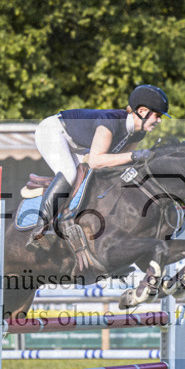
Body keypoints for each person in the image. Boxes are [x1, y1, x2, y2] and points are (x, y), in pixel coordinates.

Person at [26, 84, 170, 248]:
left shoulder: (139, 132)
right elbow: (96, 161)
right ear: (143, 111)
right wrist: (134, 155)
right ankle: (40, 229)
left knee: (93, 178)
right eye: (157, 115)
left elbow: (117, 162)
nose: (159, 120)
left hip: (77, 144)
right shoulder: (111, 122)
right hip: (52, 131)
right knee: (69, 173)